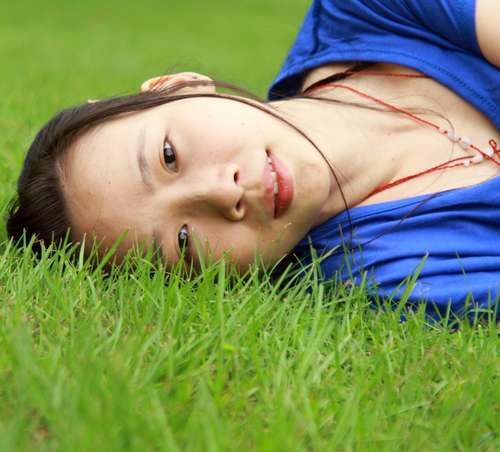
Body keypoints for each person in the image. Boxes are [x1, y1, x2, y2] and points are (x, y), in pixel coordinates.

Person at [6, 0, 500, 318]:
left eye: (169, 156)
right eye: (183, 242)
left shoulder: (366, 12)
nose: (222, 193)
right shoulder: (394, 279)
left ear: (178, 86)